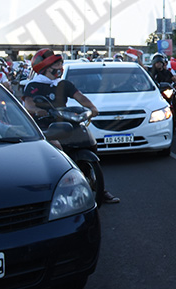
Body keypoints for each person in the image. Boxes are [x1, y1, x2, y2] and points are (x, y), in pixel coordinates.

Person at [22, 48, 119, 204]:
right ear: (45, 68)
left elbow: (80, 97)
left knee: (87, 138)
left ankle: (97, 185)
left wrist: (93, 108)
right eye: (56, 65)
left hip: (64, 121)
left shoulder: (64, 84)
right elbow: (28, 105)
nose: (60, 68)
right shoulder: (33, 85)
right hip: (44, 125)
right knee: (55, 148)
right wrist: (37, 111)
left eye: (61, 64)